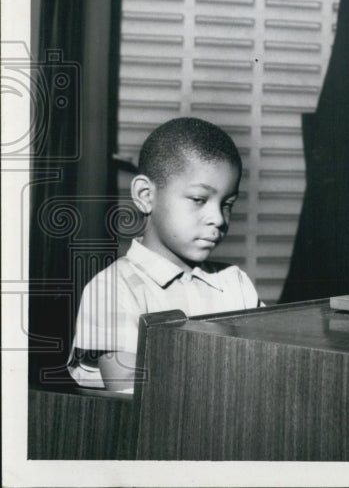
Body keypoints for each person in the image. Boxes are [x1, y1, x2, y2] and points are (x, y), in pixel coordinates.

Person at [67, 117, 262, 392]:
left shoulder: (235, 283)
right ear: (146, 195)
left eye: (227, 204)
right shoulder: (113, 288)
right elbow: (126, 385)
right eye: (199, 199)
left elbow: (267, 362)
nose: (218, 218)